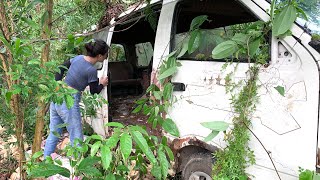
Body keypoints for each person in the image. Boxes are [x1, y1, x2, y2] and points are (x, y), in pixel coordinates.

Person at [44, 39, 109, 158]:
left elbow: (60, 68)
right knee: (77, 137)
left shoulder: (78, 58)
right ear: (99, 55)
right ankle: (78, 170)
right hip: (69, 101)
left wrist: (58, 85)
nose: (105, 58)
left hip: (57, 96)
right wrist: (102, 83)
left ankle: (45, 162)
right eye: (105, 55)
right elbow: (94, 91)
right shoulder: (92, 70)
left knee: (54, 132)